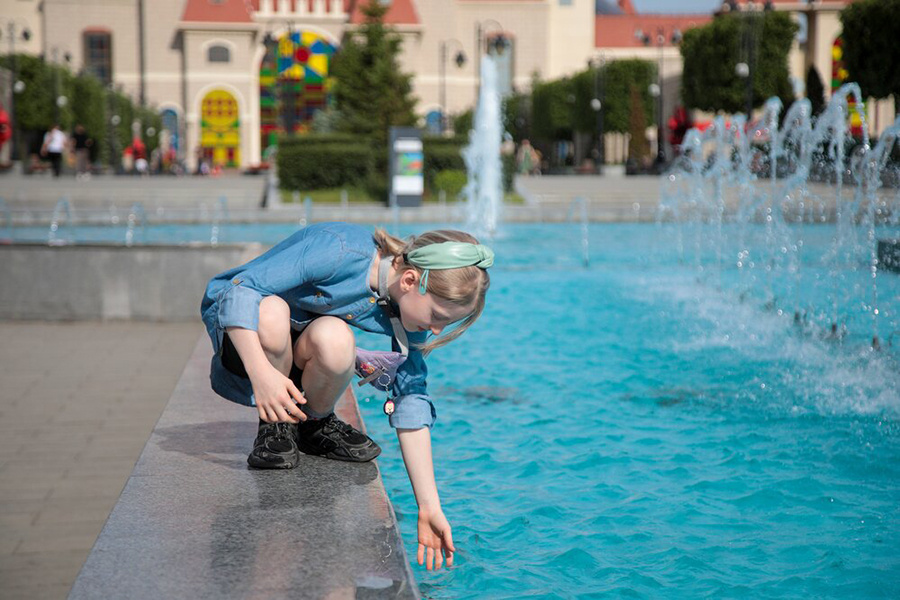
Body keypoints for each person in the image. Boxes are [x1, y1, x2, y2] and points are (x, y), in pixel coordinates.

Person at [200, 223, 493, 571]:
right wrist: (261, 374)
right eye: (436, 317)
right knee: (272, 311)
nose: (435, 331)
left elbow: (411, 397)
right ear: (411, 280)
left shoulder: (402, 306)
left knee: (337, 339)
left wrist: (429, 506)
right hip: (246, 339)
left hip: (296, 353)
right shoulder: (337, 251)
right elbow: (239, 289)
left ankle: (313, 424)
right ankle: (275, 427)